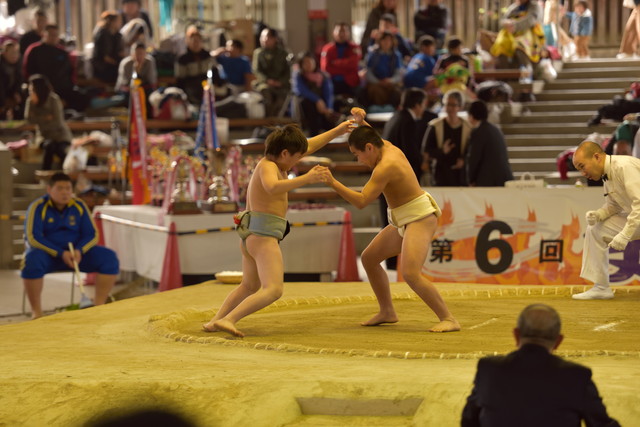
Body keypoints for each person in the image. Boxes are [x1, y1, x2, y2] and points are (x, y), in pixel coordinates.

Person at [203, 115, 359, 337]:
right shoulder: (267, 166)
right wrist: (307, 178)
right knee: (274, 290)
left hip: (254, 236)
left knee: (249, 286)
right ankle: (229, 319)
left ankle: (215, 321)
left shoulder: (276, 161)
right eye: (297, 157)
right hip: (262, 237)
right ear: (285, 153)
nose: (299, 161)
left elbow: (310, 145)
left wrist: (339, 130)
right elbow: (272, 187)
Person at [326, 123, 460, 332]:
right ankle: (387, 311)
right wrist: (361, 122)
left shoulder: (385, 166)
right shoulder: (386, 145)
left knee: (410, 273)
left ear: (369, 148)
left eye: (357, 154)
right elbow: (371, 135)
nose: (358, 160)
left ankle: (449, 318)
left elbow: (362, 201)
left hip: (420, 217)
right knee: (369, 259)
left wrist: (332, 182)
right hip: (402, 218)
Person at [461, 304, 621, 426]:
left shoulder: (489, 369)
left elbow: (469, 420)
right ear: (558, 341)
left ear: (516, 335)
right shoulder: (577, 375)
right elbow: (601, 424)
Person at [22, 173, 119, 319]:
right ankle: (36, 312)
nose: (65, 192)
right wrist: (60, 253)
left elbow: (92, 234)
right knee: (31, 260)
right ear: (49, 190)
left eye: (68, 188)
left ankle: (98, 306)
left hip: (77, 255)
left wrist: (80, 250)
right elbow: (33, 238)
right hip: (49, 255)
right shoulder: (37, 207)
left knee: (109, 258)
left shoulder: (79, 205)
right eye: (60, 188)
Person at [571, 140, 640, 300]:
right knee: (596, 229)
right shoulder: (607, 174)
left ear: (597, 157)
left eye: (582, 166)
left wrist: (625, 235)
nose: (583, 173)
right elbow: (614, 205)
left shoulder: (624, 166)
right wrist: (599, 215)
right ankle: (601, 287)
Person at [23, 24, 87, 111]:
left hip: (62, 88)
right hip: (42, 88)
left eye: (55, 35)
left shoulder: (62, 52)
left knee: (82, 97)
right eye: (51, 35)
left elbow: (69, 72)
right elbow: (29, 72)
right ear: (44, 35)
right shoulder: (34, 50)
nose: (53, 37)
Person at [422, 90, 472, 186]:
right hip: (440, 175)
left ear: (460, 107)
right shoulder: (435, 126)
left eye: (453, 105)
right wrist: (442, 151)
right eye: (447, 104)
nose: (450, 108)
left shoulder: (468, 127)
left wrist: (463, 160)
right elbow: (426, 151)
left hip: (461, 176)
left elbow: (472, 150)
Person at [25, 74, 73, 170]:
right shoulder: (30, 101)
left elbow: (58, 122)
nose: (30, 93)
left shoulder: (53, 100)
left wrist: (40, 120)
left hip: (60, 135)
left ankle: (64, 173)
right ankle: (45, 172)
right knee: (49, 146)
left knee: (60, 150)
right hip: (44, 136)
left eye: (32, 90)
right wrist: (45, 118)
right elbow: (29, 119)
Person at [466, 100, 514, 186]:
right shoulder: (496, 129)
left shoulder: (478, 132)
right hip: (505, 178)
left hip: (489, 181)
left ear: (471, 116)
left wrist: (470, 179)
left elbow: (474, 158)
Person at [490, 0, 545, 70]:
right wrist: (507, 23)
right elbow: (504, 19)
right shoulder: (514, 7)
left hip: (529, 35)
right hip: (511, 34)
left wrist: (514, 25)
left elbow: (530, 20)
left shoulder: (534, 6)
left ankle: (527, 69)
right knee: (501, 45)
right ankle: (504, 72)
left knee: (519, 46)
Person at [292, 51, 337, 136]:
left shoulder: (323, 75)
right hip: (306, 105)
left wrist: (328, 107)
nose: (309, 65)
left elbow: (328, 93)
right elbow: (302, 90)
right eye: (305, 62)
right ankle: (314, 135)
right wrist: (317, 100)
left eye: (310, 62)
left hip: (323, 105)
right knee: (308, 104)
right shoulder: (299, 75)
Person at [252, 28, 291, 117]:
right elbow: (256, 70)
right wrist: (267, 80)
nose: (264, 40)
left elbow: (288, 71)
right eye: (262, 37)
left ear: (275, 39)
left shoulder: (284, 53)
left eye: (267, 37)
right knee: (266, 95)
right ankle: (267, 120)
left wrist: (280, 82)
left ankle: (276, 120)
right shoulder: (258, 53)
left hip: (281, 84)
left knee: (281, 101)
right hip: (264, 83)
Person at [174, 26, 216, 106]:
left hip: (207, 85)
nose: (196, 44)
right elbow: (180, 80)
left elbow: (214, 71)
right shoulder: (183, 59)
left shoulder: (207, 55)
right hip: (191, 87)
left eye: (198, 41)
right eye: (193, 41)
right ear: (188, 42)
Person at [320, 22, 361, 99]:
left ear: (349, 33)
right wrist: (346, 68)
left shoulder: (355, 47)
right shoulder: (327, 48)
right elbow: (326, 68)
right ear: (333, 33)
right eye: (339, 31)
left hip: (350, 82)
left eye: (344, 31)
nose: (342, 34)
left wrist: (335, 63)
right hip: (332, 82)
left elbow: (354, 64)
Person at [364, 31, 404, 108]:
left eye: (389, 40)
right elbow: (368, 72)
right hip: (376, 82)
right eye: (384, 40)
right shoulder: (373, 54)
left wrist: (390, 80)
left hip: (390, 82)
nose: (386, 42)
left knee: (397, 92)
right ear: (380, 41)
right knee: (375, 91)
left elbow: (398, 73)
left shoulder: (396, 55)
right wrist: (378, 81)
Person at [91, 10, 124, 85]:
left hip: (112, 64)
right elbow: (105, 57)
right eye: (118, 21)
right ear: (112, 22)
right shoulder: (103, 34)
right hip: (103, 67)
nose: (120, 23)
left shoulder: (117, 34)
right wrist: (118, 64)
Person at [0, 40, 23, 120]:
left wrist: (16, 92)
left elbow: (19, 81)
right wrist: (2, 103)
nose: (15, 55)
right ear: (4, 53)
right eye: (12, 52)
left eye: (16, 52)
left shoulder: (17, 65)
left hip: (9, 95)